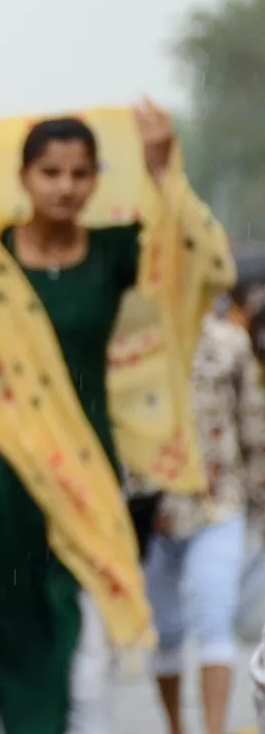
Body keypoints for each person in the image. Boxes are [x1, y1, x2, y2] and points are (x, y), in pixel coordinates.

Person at [0, 104, 231, 734]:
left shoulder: (114, 252)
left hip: (87, 480)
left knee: (88, 661)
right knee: (0, 650)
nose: (66, 187)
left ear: (98, 179)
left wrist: (166, 178)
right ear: (23, 177)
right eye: (51, 172)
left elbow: (203, 266)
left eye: (79, 173)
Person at [145, 306, 265, 734]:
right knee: (164, 632)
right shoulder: (134, 343)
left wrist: (260, 503)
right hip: (150, 511)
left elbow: (253, 426)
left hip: (217, 504)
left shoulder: (228, 344)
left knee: (215, 620)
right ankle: (175, 727)